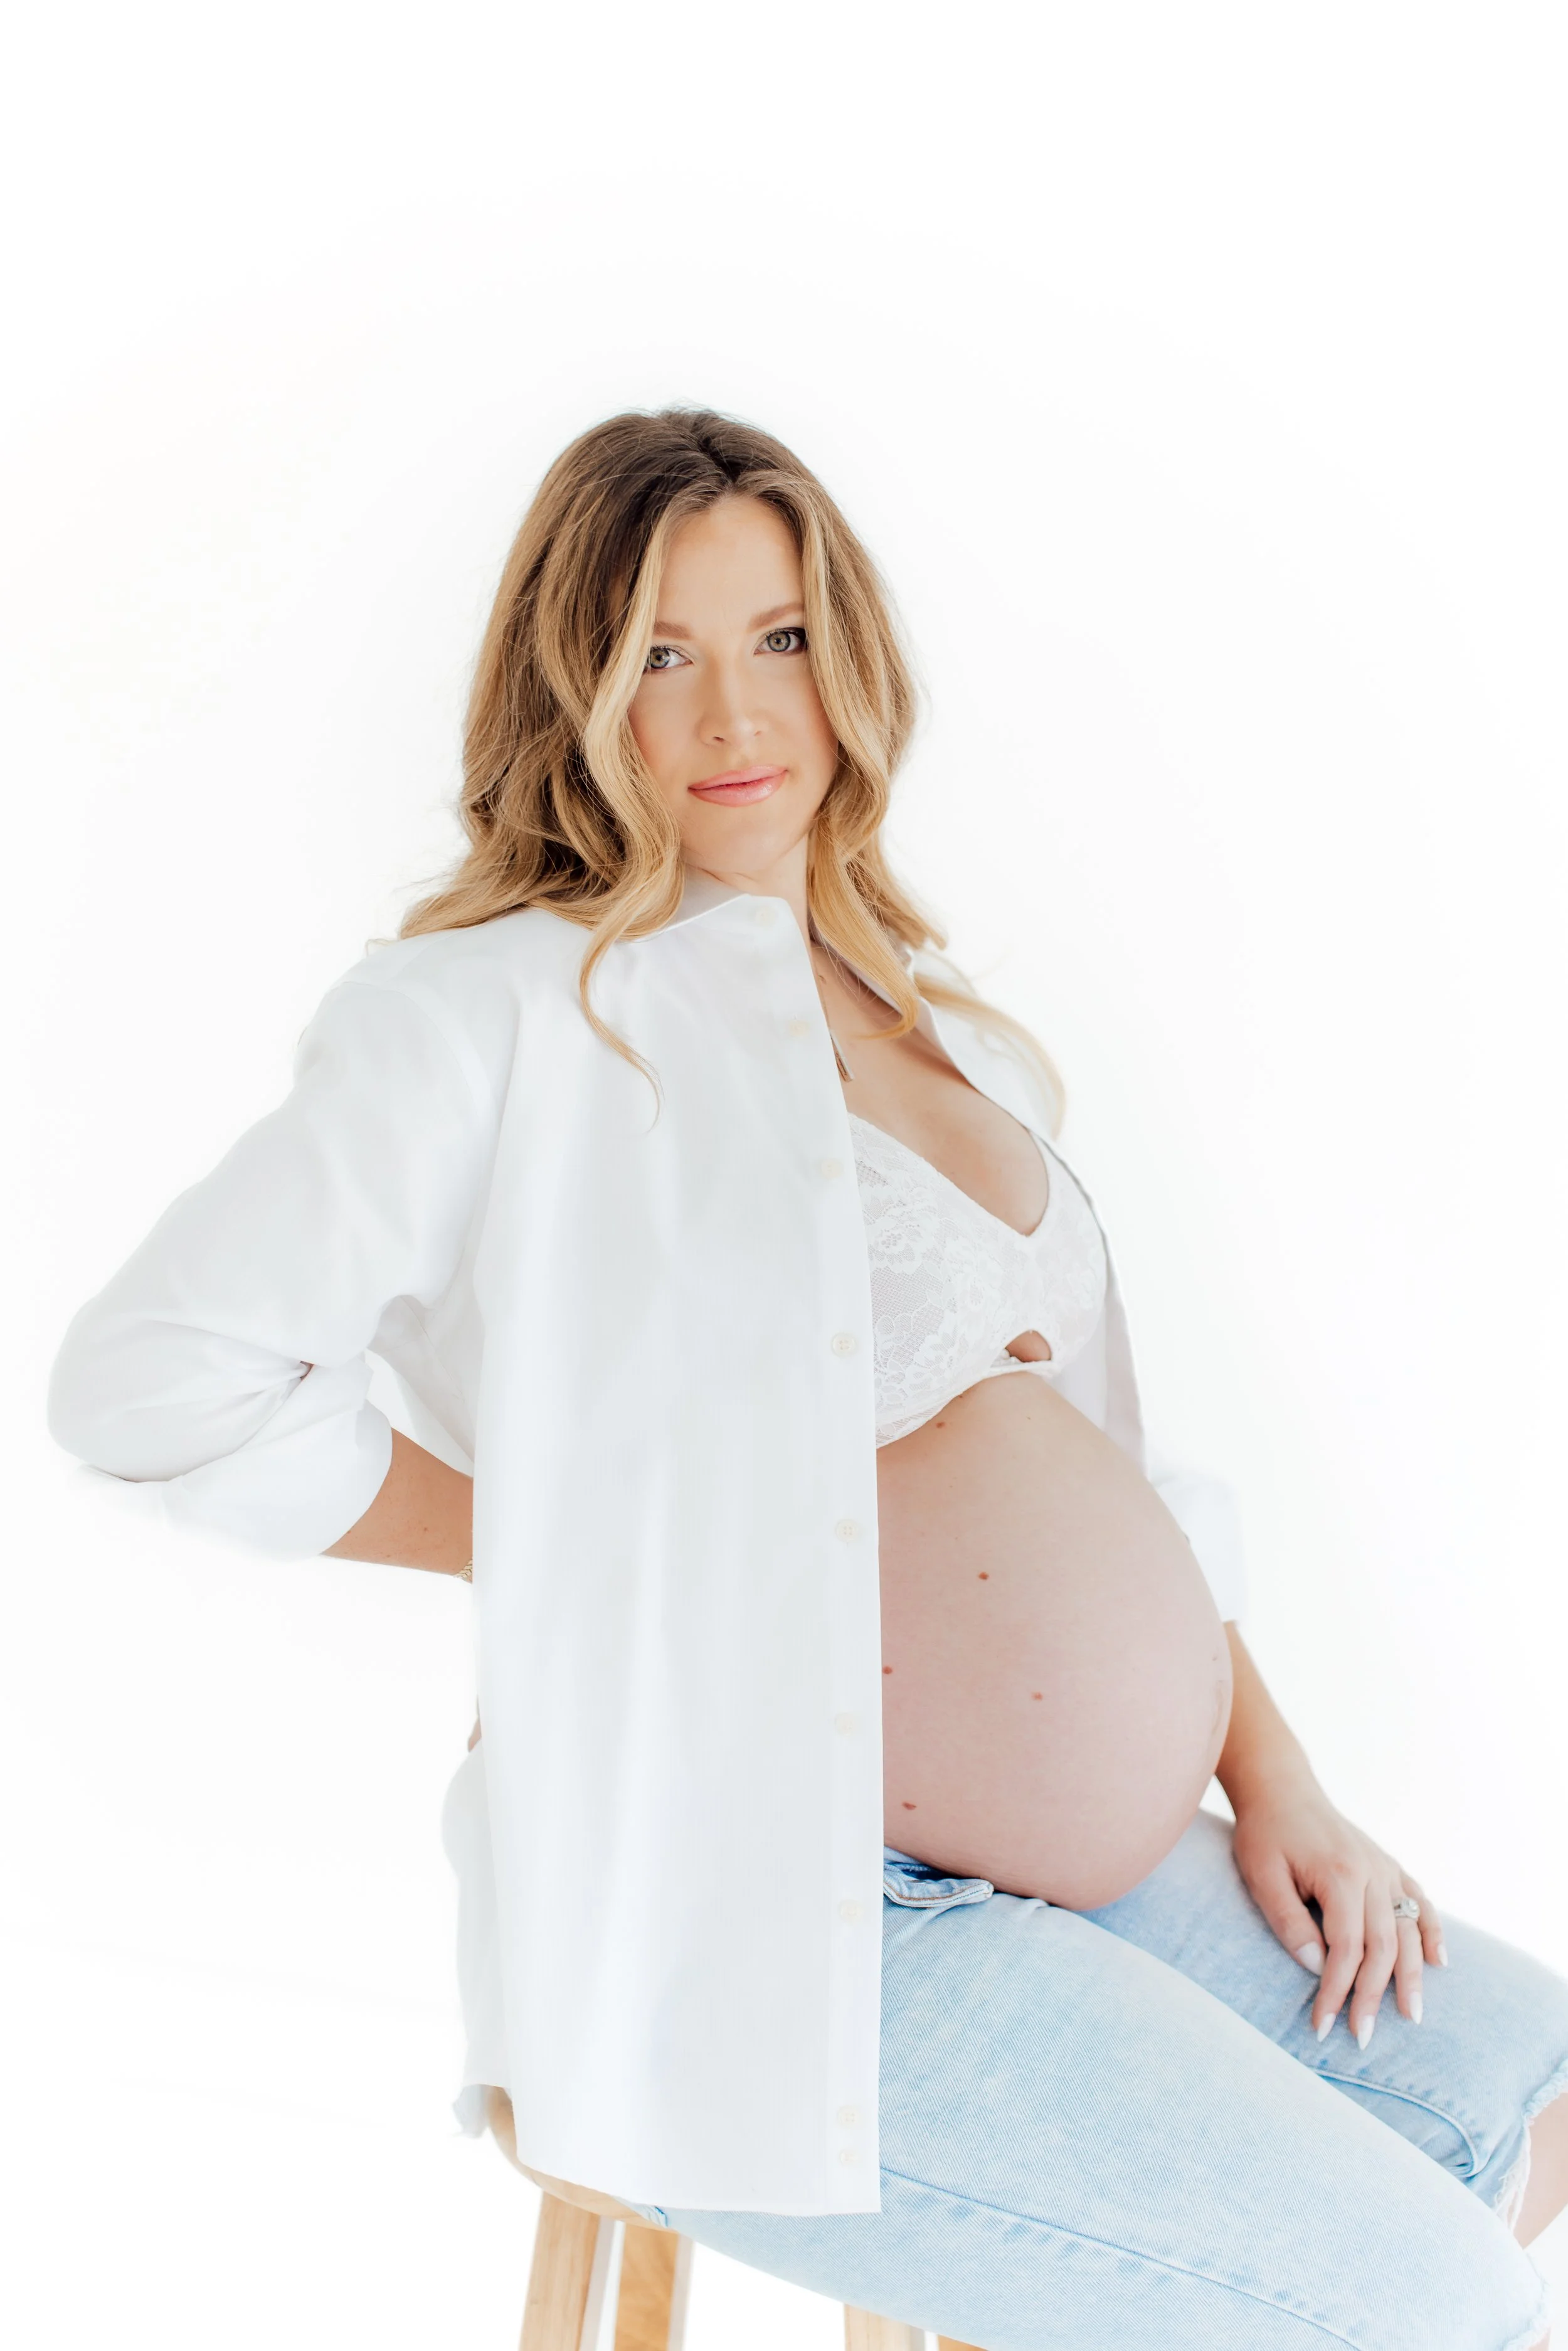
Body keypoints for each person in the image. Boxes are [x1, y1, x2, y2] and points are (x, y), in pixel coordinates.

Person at [49, 407, 1568, 2348]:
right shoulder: (493, 1011)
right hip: (777, 1907)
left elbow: (1109, 1471)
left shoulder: (952, 1035)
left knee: (1529, 2092)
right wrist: (573, 1543)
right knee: (1421, 2294)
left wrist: (1280, 1779)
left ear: (849, 657)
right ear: (570, 691)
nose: (731, 713)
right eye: (657, 656)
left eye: (777, 638)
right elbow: (155, 1378)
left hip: (1079, 1876)